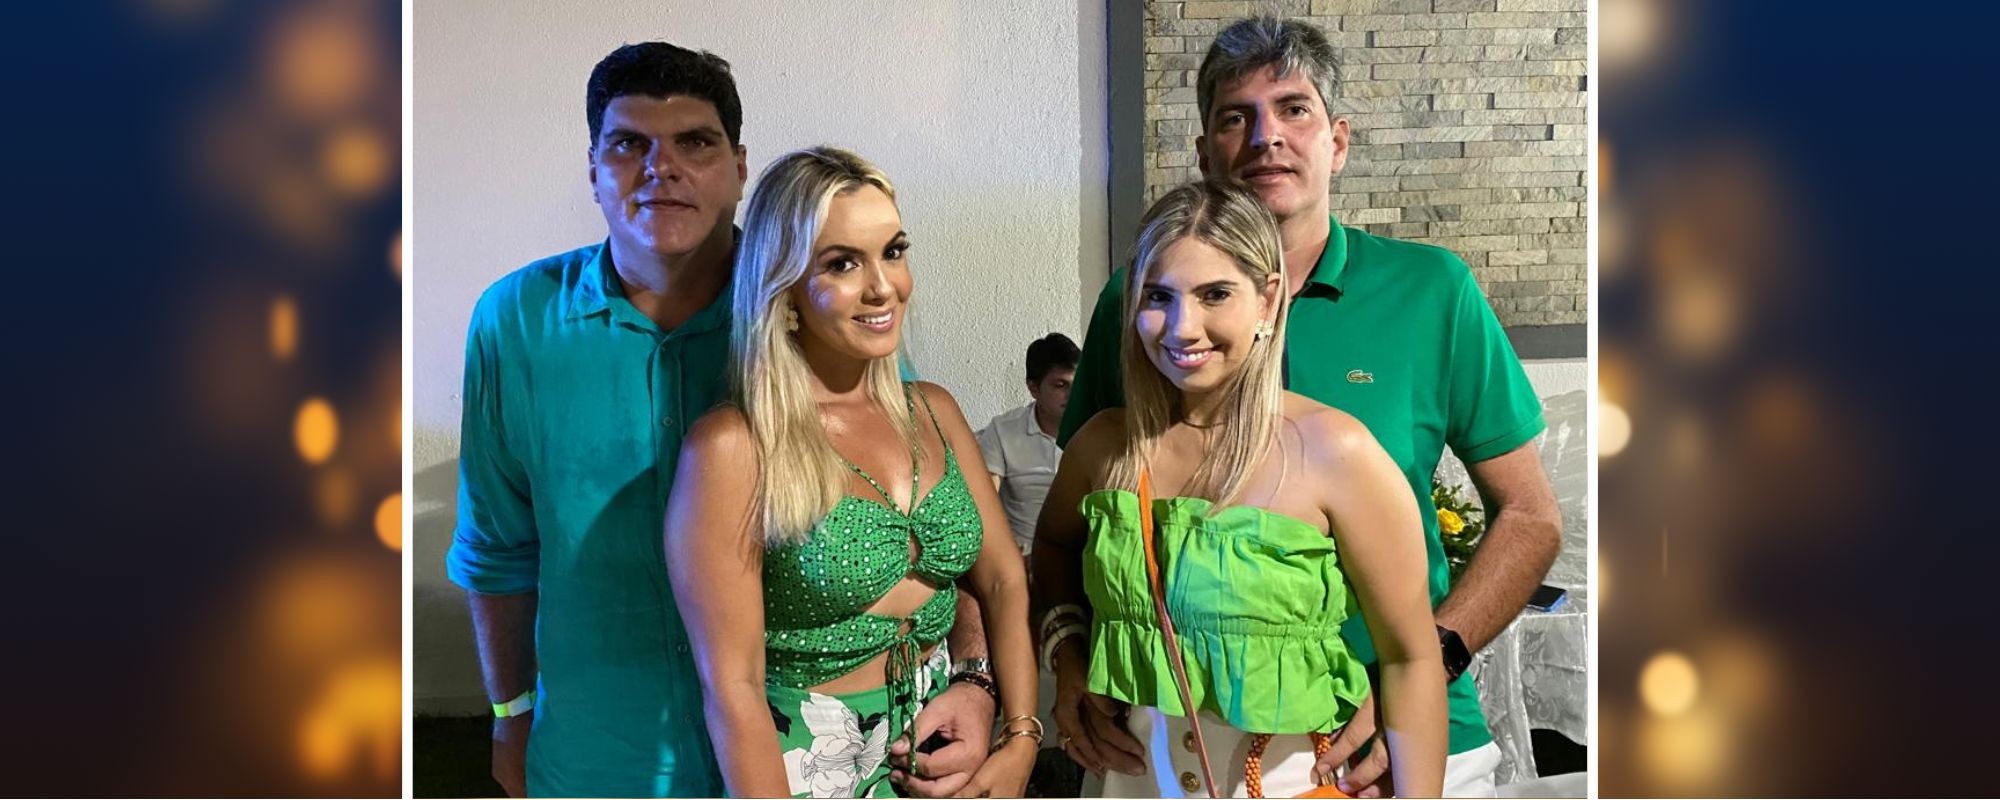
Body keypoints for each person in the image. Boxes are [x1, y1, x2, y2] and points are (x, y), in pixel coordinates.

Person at [447, 45, 997, 798]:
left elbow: (927, 518)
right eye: (629, 144)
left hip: (812, 757)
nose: (662, 168)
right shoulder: (516, 321)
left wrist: (974, 678)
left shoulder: (819, 299)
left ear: (739, 168)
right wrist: (509, 714)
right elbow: (497, 552)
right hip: (603, 758)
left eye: (695, 143)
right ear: (593, 169)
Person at [1047, 16, 1562, 798]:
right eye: (1236, 117)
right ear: (1204, 153)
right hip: (1170, 746)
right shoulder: (1134, 301)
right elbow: (1081, 525)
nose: (1266, 137)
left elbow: (1530, 515)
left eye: (1293, 109)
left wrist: (1430, 658)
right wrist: (1069, 652)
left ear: (1337, 140)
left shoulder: (1432, 291)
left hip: (1397, 744)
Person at [1033, 179, 1445, 797]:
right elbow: (1053, 548)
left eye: (1215, 294)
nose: (1182, 328)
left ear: (1267, 299)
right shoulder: (1103, 446)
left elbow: (1411, 659)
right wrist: (1067, 649)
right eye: (1158, 296)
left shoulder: (1338, 452)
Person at [663, 147, 1041, 798]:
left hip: (947, 747)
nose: (882, 286)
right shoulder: (734, 447)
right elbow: (733, 688)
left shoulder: (934, 411)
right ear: (784, 288)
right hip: (808, 765)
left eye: (893, 252)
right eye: (843, 263)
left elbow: (1003, 579)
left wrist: (1022, 733)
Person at [976, 333, 1080, 556]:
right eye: (1060, 385)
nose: (1072, 394)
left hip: (1084, 558)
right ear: (1034, 388)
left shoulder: (1097, 429)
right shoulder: (1003, 431)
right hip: (1022, 557)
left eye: (1078, 383)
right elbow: (984, 508)